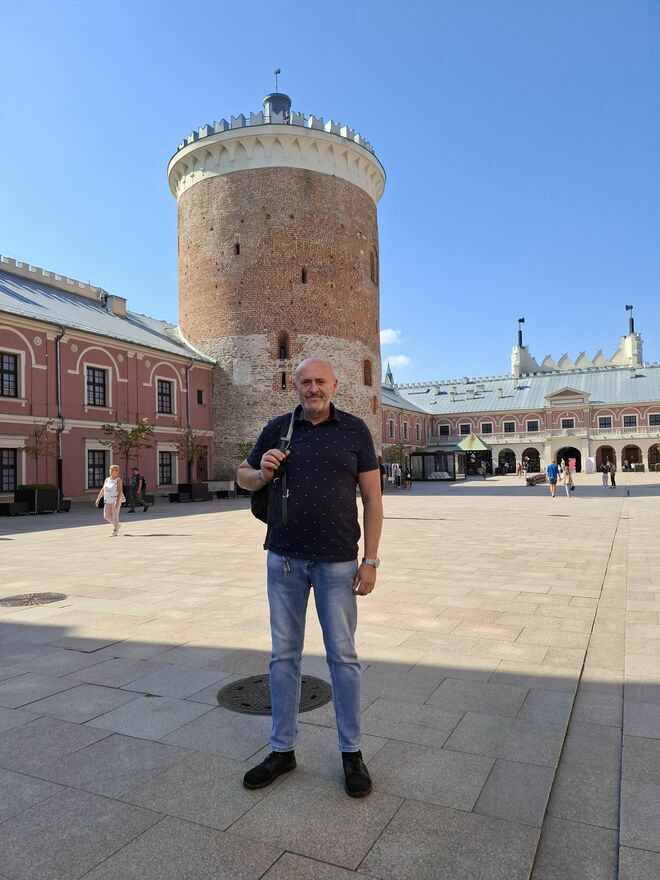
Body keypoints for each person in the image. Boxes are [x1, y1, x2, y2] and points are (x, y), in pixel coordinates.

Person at [237, 358, 383, 799]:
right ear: (295, 386)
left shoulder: (354, 430)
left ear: (334, 385)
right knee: (283, 656)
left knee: (343, 657)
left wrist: (371, 560)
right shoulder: (279, 428)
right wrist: (261, 472)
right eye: (305, 382)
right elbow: (243, 477)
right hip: (284, 560)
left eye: (320, 381)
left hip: (337, 562)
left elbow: (373, 499)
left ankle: (351, 752)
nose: (313, 388)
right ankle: (282, 749)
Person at [95, 464, 123, 536]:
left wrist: (117, 502)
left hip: (115, 500)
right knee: (106, 516)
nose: (110, 471)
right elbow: (103, 490)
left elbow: (120, 491)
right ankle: (117, 525)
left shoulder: (118, 480)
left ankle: (115, 530)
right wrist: (98, 499)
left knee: (115, 515)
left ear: (117, 471)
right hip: (107, 500)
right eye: (110, 469)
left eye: (112, 470)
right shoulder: (107, 479)